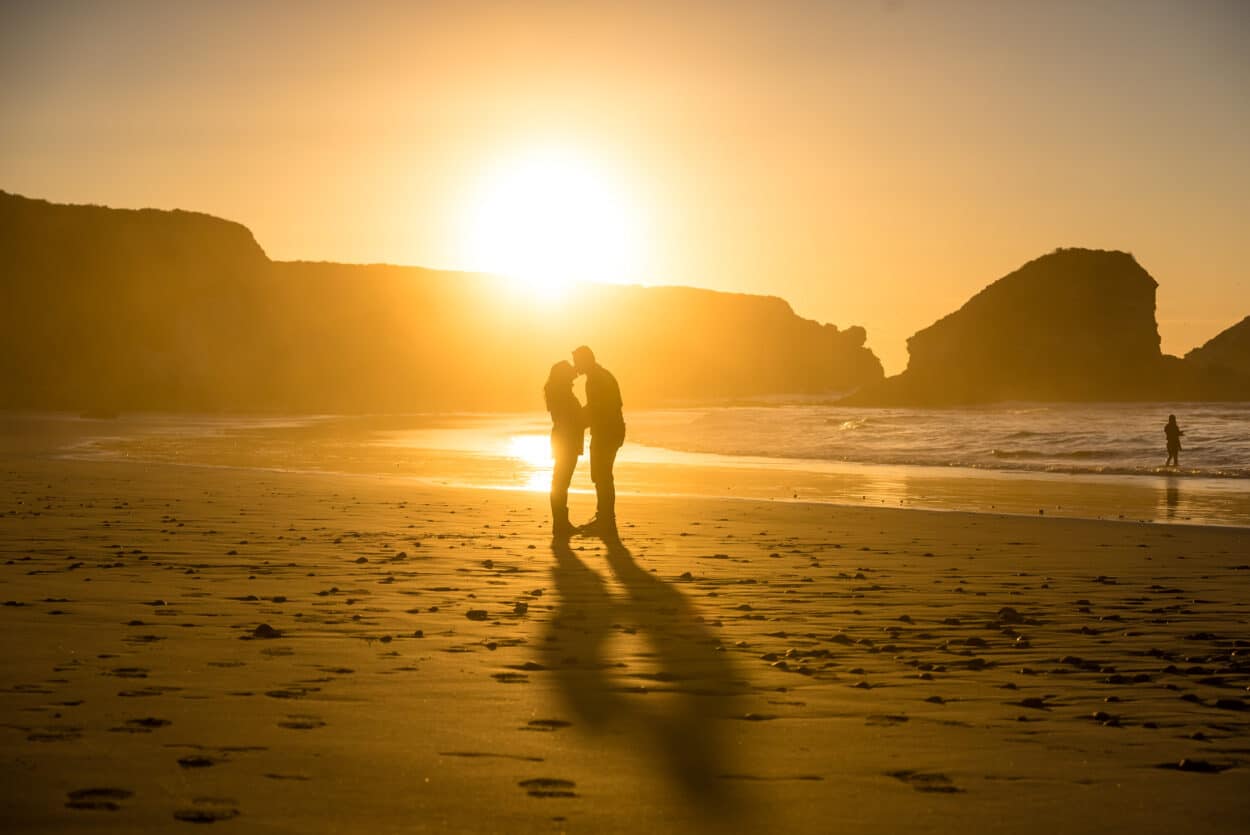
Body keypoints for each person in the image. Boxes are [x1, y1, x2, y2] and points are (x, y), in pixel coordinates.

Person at [572, 345, 625, 535]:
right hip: (611, 431)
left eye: (577, 362)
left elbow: (598, 409)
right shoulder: (600, 375)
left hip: (607, 432)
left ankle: (606, 521)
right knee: (603, 476)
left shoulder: (596, 379)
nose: (575, 366)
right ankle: (605, 518)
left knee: (602, 476)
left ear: (586, 360)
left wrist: (575, 422)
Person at [544, 360, 585, 538]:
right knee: (561, 482)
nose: (573, 376)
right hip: (567, 440)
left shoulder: (556, 391)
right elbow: (574, 418)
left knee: (560, 482)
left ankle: (560, 523)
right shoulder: (563, 394)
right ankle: (561, 524)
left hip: (562, 438)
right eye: (569, 373)